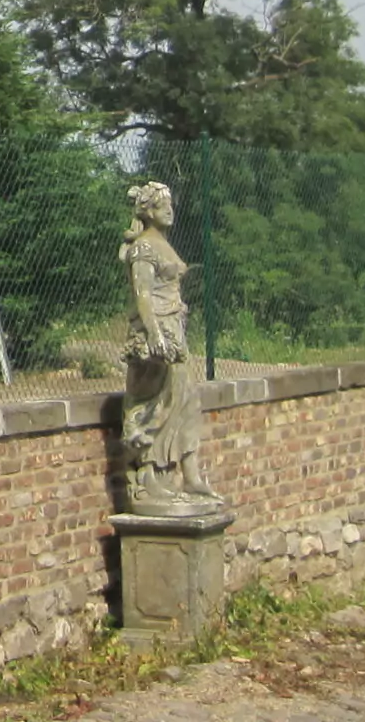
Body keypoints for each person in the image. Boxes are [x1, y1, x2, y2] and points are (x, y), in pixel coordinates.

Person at [119, 180, 220, 513]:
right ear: (148, 210)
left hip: (175, 328)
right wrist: (155, 335)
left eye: (171, 204)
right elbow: (142, 295)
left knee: (186, 399)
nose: (170, 209)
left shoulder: (163, 244)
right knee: (157, 402)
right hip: (155, 332)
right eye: (164, 205)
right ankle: (149, 478)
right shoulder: (143, 248)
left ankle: (189, 472)